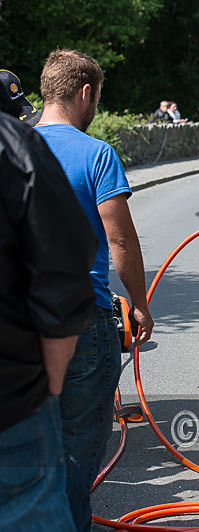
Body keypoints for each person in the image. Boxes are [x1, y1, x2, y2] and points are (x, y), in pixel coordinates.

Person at [35, 49, 155, 531]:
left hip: (16, 324)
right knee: (76, 454)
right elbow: (120, 240)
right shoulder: (96, 154)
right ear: (86, 93)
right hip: (81, 321)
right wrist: (141, 304)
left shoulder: (9, 148)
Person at [0, 69, 97, 532]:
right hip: (11, 397)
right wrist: (50, 386)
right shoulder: (17, 147)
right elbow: (64, 271)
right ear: (86, 94)